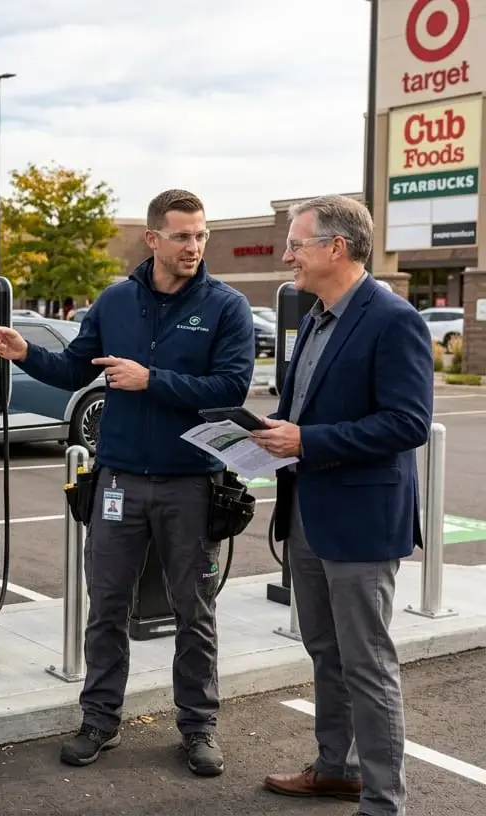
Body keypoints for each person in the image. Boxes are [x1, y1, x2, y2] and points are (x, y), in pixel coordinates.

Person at [0, 189, 255, 777]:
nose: (194, 246)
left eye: (200, 235)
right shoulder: (115, 301)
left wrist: (150, 379)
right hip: (118, 481)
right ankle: (99, 720)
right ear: (152, 239)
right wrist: (26, 352)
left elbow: (230, 389)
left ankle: (198, 727)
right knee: (105, 606)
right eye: (182, 235)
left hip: (191, 483)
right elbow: (78, 368)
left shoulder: (226, 306)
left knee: (195, 612)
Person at [252, 195, 432, 816]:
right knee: (325, 651)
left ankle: (384, 801)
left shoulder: (393, 318)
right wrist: (273, 431)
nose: (287, 256)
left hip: (359, 522)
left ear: (337, 247)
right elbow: (311, 409)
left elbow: (407, 422)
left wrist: (307, 439)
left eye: (297, 244)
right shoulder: (316, 316)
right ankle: (337, 769)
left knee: (368, 664)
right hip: (307, 510)